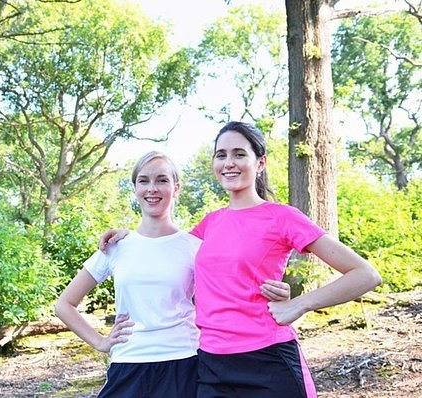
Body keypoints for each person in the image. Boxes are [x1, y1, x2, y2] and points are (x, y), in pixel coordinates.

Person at [100, 122, 382, 398]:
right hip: (212, 366)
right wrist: (130, 237)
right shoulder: (209, 224)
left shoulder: (282, 217)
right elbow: (165, 249)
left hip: (268, 360)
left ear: (260, 163)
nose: (228, 162)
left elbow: (365, 274)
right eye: (221, 155)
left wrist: (300, 303)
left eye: (239, 154)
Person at [55, 150, 291, 398]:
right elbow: (64, 305)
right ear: (135, 187)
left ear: (176, 188)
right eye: (144, 180)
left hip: (183, 362)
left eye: (162, 180)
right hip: (128, 363)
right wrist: (100, 342)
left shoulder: (196, 246)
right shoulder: (114, 247)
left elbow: (235, 290)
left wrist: (280, 295)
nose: (152, 188)